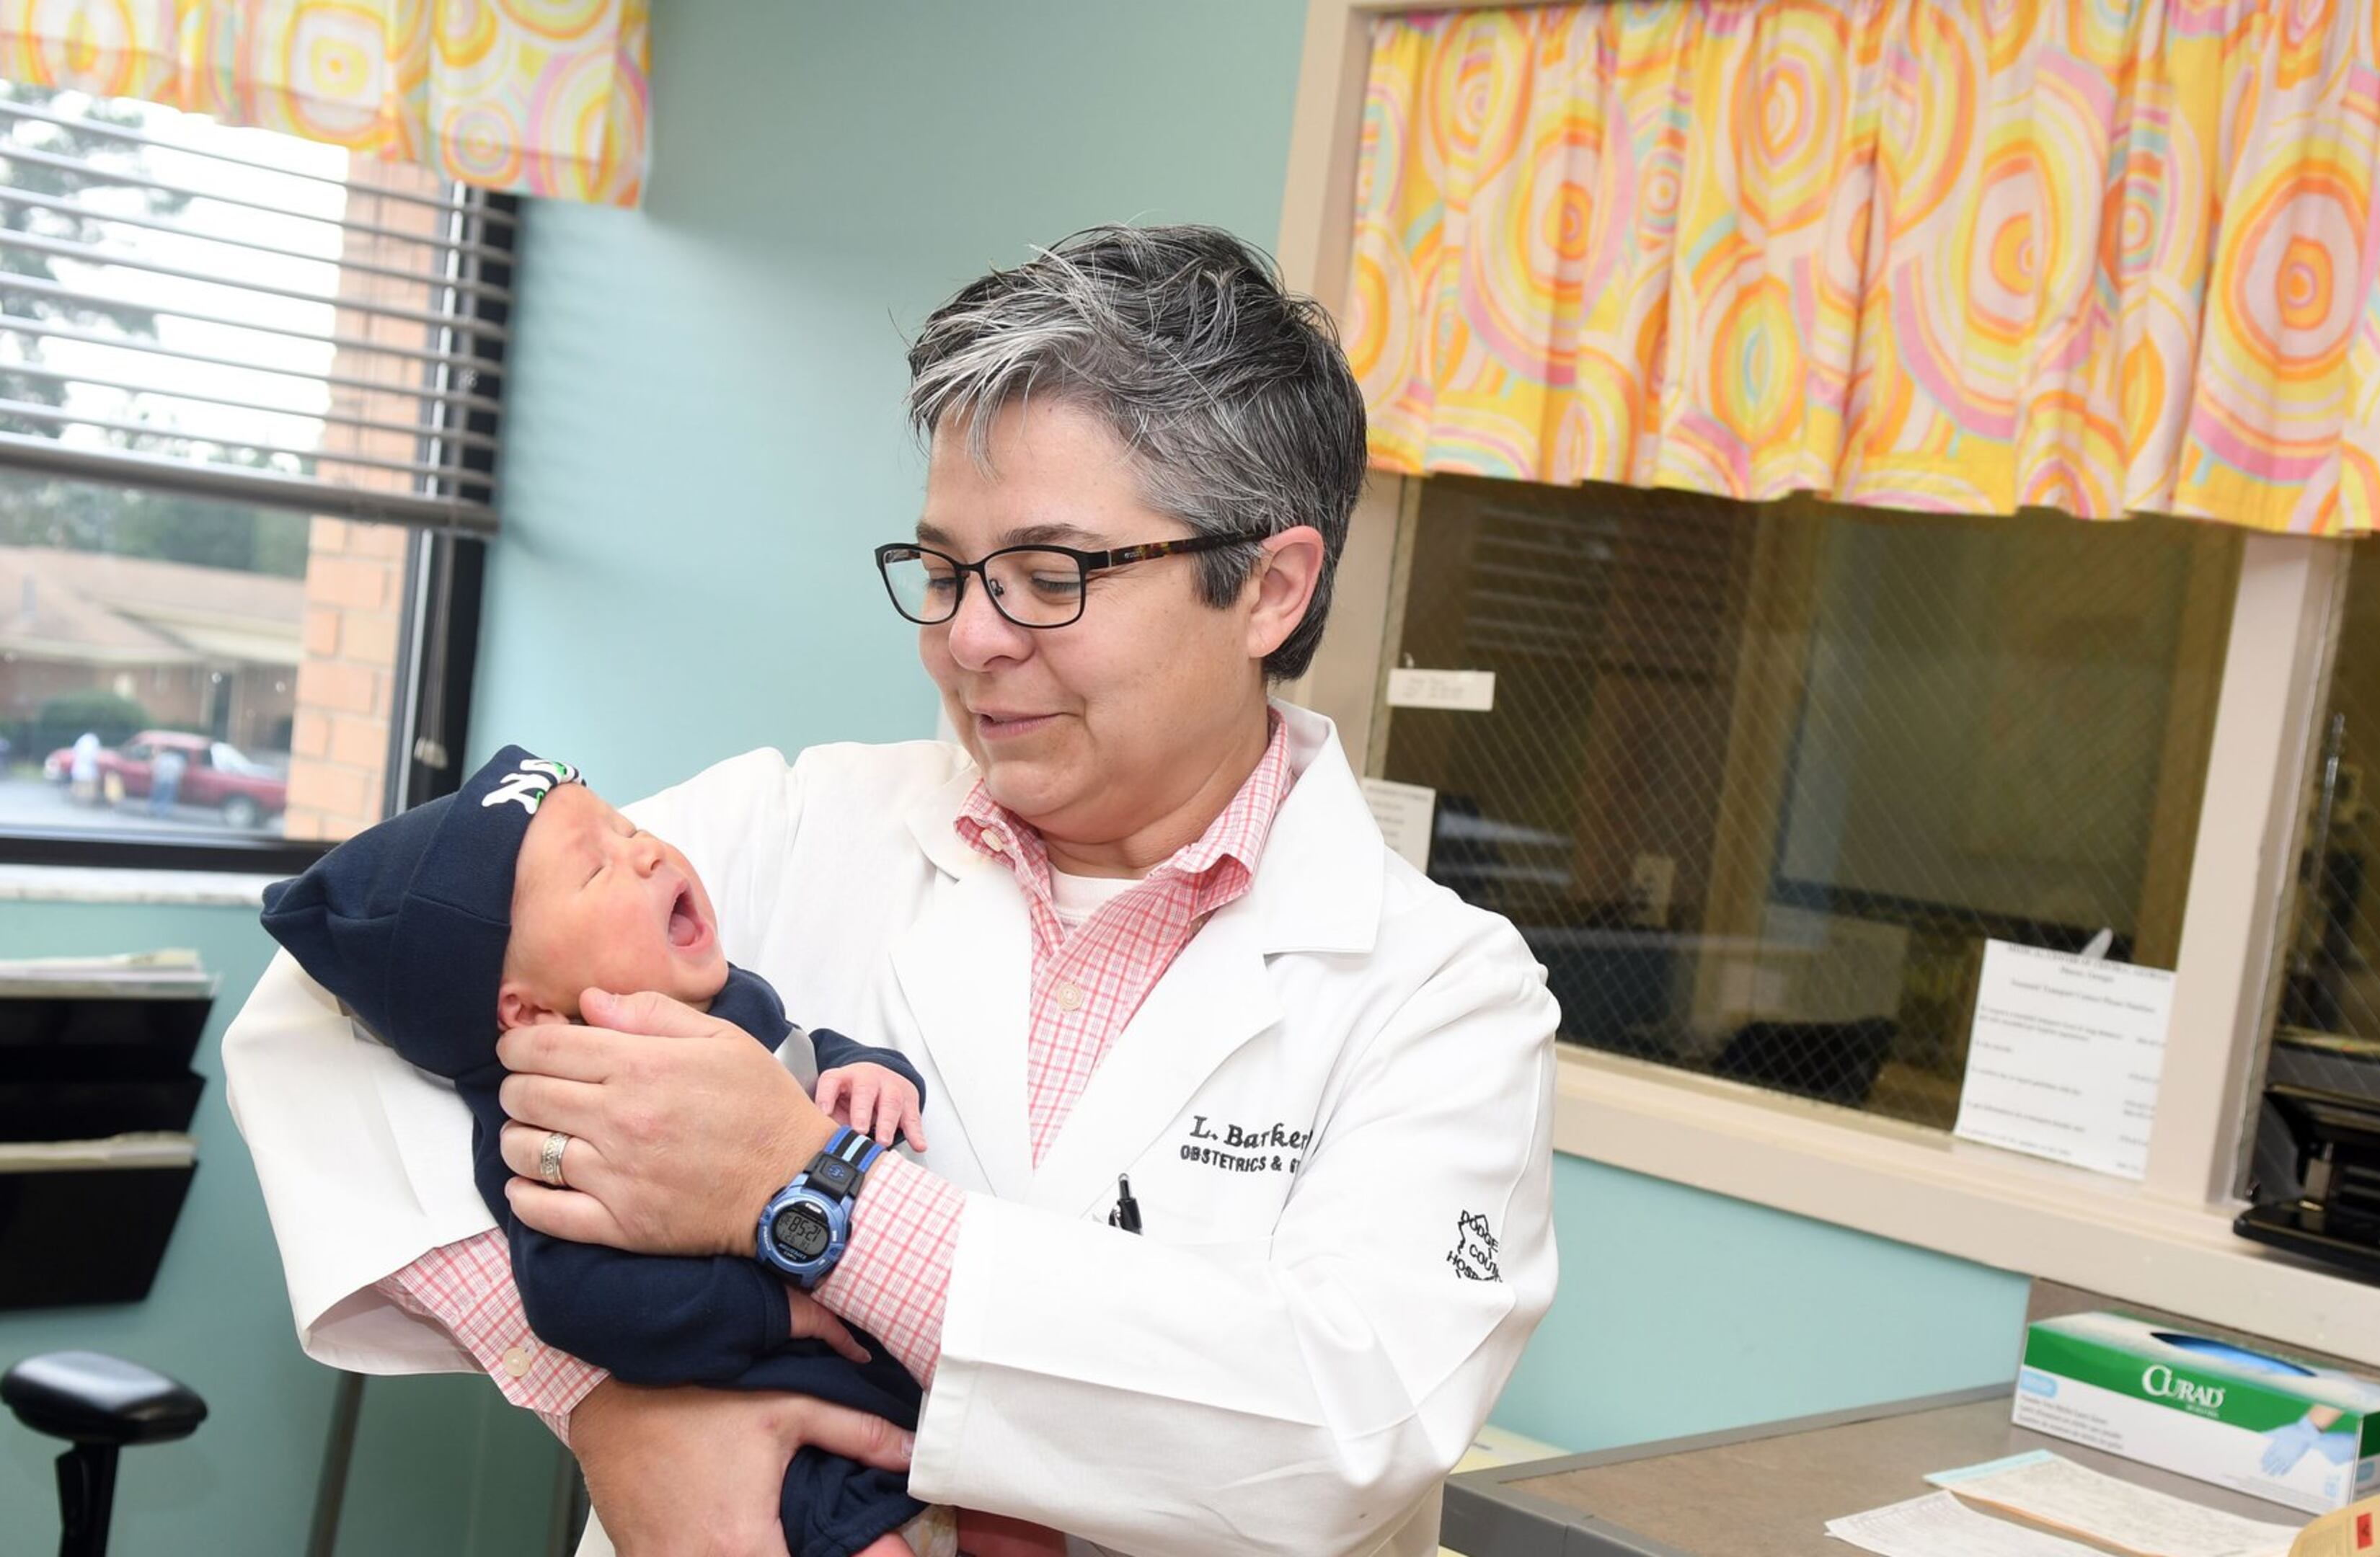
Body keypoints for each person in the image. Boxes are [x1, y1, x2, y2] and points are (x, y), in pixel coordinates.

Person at [221, 224, 1560, 1556]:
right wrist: (609, 1404)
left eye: (1050, 577)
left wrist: (814, 1199)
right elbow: (316, 1005)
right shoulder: (792, 826)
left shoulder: (1445, 996)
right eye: (941, 572)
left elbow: (1343, 1429)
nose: (968, 640)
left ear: (1269, 589)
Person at [256, 745, 944, 1557]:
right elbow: (577, 1300)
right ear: (527, 1012)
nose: (647, 850)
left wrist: (869, 1068)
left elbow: (804, 1051)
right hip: (779, 1442)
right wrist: (768, 1310)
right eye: (596, 870)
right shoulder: (549, 1131)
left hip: (913, 1398)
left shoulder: (728, 998)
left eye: (627, 829)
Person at [148, 742, 187, 819]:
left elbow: (154, 768)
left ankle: (154, 810)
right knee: (167, 797)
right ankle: (163, 812)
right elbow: (180, 772)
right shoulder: (178, 759)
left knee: (157, 795)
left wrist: (155, 776)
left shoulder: (162, 757)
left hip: (161, 779)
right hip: (171, 780)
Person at [66, 729, 99, 806]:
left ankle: (77, 800)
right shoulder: (94, 740)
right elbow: (94, 755)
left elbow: (75, 751)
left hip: (79, 766)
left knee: (79, 784)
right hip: (88, 767)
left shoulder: (82, 739)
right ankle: (87, 801)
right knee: (89, 785)